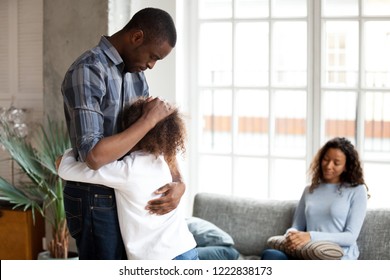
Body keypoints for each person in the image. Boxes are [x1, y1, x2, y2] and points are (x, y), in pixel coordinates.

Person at [61, 7, 185, 259]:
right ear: (136, 37)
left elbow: (156, 135)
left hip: (124, 192)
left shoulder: (136, 75)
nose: (151, 65)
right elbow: (94, 156)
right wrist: (149, 119)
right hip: (94, 195)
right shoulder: (88, 70)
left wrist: (178, 182)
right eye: (153, 57)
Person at [57, 98, 198, 260]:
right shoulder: (165, 161)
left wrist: (70, 152)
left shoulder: (128, 170)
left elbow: (65, 167)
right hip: (187, 250)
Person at [261, 137, 369, 260]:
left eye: (336, 163)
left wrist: (310, 236)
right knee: (270, 255)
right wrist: (291, 235)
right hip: (308, 252)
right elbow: (297, 226)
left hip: (338, 256)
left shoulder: (357, 190)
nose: (329, 166)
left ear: (346, 166)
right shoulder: (309, 190)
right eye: (326, 159)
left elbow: (350, 237)